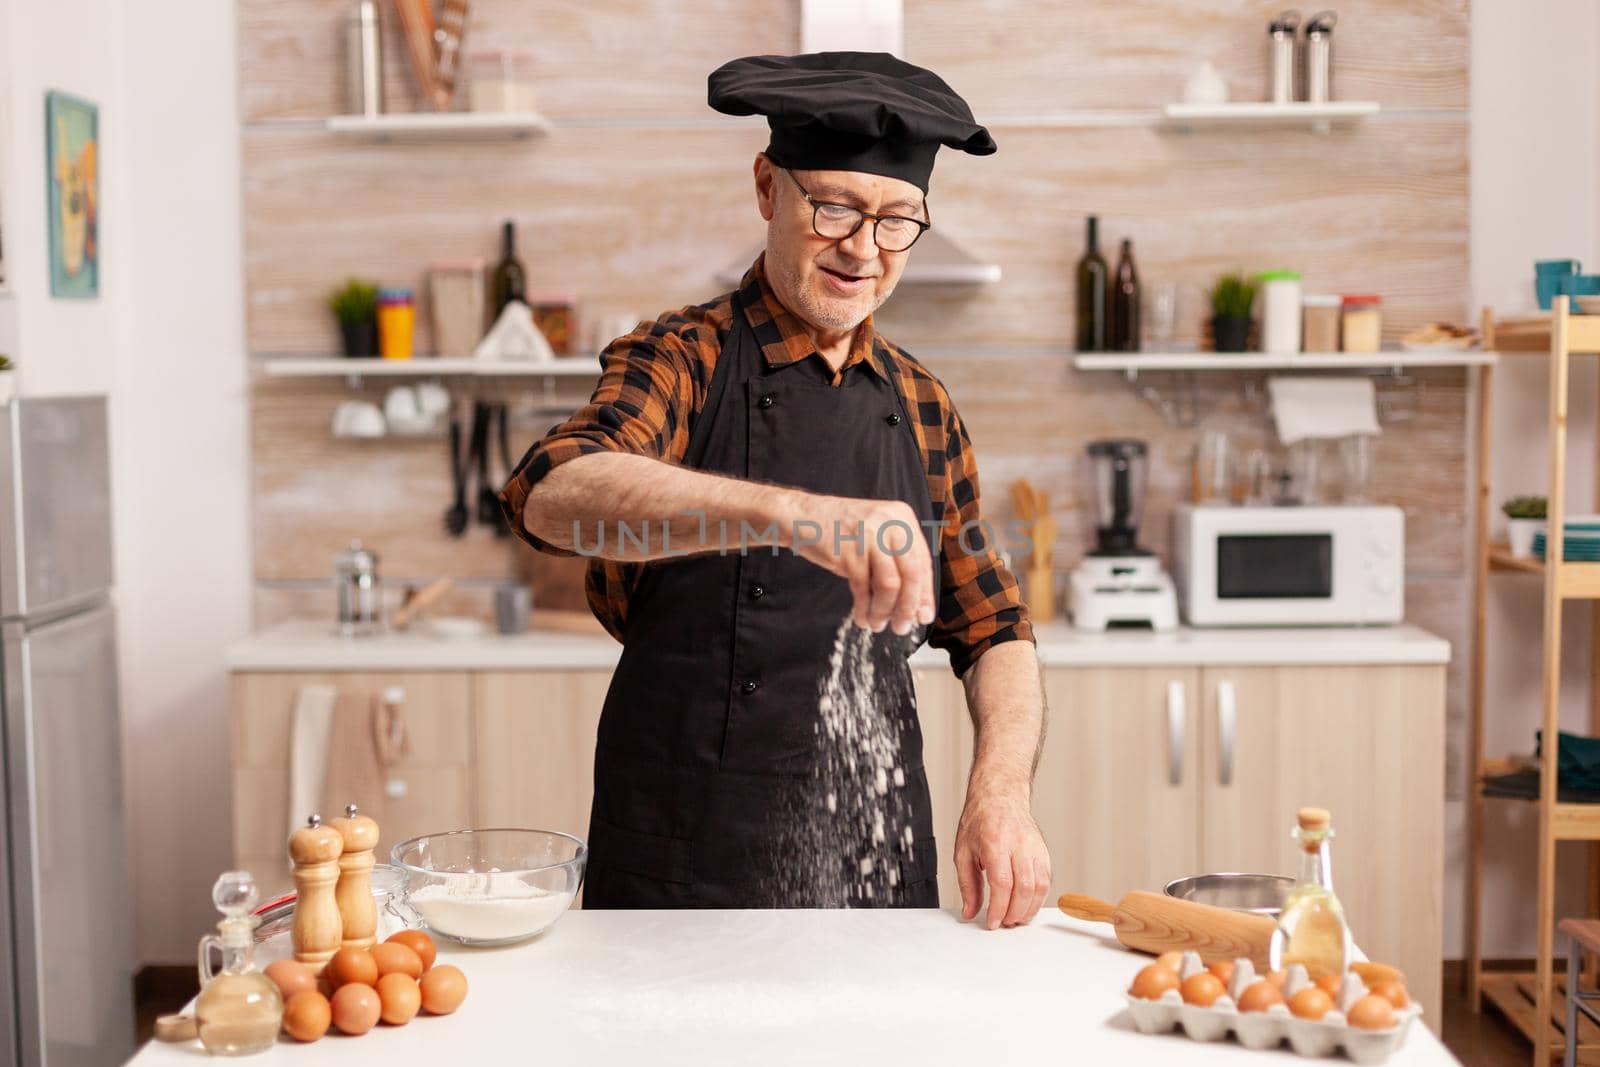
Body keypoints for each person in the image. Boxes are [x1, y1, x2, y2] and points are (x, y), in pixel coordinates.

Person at [499, 52, 1049, 929]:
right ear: (768, 187)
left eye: (898, 219)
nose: (863, 249)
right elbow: (552, 492)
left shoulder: (921, 402)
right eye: (834, 207)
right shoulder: (683, 356)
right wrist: (793, 513)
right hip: (683, 871)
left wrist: (1002, 794)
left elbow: (994, 628)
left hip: (876, 855)